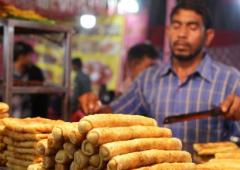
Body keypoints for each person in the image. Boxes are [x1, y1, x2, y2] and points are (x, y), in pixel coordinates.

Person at [79, 2, 240, 144]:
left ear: (208, 36)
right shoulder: (148, 79)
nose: (182, 34)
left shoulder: (230, 80)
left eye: (192, 27)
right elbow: (115, 116)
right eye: (176, 26)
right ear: (168, 31)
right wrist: (97, 108)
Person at [13, 41, 48, 117]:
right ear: (21, 56)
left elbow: (41, 99)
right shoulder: (7, 73)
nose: (31, 59)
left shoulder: (35, 72)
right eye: (29, 56)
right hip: (10, 117)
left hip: (29, 118)